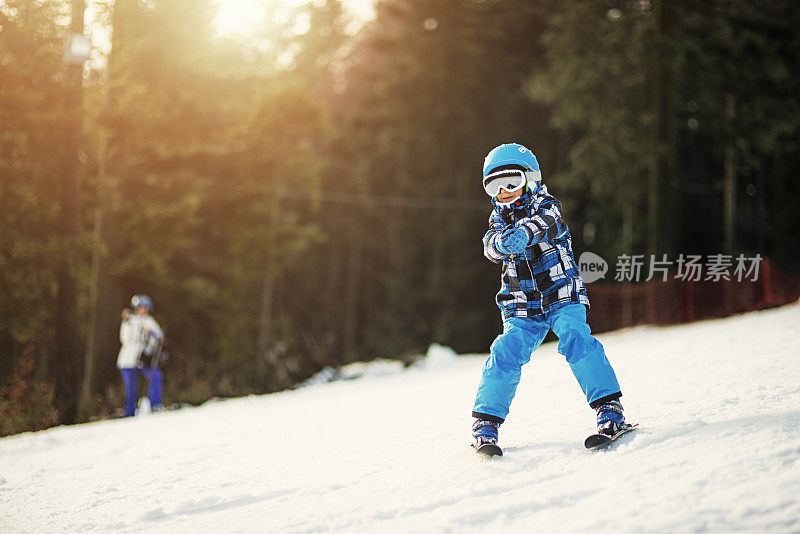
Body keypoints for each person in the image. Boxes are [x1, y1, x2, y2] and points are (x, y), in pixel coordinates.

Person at [471, 142, 629, 455]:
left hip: (561, 294)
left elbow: (546, 223)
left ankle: (610, 409)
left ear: (530, 179)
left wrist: (524, 234)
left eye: (511, 182)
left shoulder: (547, 205)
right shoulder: (498, 218)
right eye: (495, 186)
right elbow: (490, 245)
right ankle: (485, 422)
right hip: (522, 306)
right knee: (505, 349)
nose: (504, 192)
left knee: (574, 336)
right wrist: (501, 243)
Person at [117, 294, 165, 417]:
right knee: (131, 390)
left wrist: (154, 338)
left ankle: (155, 405)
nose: (143, 310)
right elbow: (125, 339)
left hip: (143, 360)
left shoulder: (150, 321)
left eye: (145, 307)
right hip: (128, 361)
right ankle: (129, 414)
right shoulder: (130, 320)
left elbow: (159, 337)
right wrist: (133, 326)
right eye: (141, 307)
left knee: (155, 375)